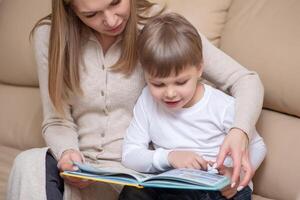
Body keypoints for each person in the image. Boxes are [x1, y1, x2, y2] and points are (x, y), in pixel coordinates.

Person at [7, 0, 264, 200]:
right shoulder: (50, 37)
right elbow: (56, 119)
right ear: (71, 10)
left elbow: (246, 80)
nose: (110, 20)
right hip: (78, 177)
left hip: (132, 181)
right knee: (27, 163)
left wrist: (240, 131)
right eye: (91, 14)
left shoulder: (157, 30)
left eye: (116, 2)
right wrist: (67, 155)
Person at [120, 13, 267, 200]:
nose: (170, 93)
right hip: (172, 181)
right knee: (132, 192)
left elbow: (258, 146)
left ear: (199, 68)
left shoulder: (220, 105)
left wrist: (235, 174)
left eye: (180, 82)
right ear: (145, 74)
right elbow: (131, 154)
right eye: (158, 84)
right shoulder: (146, 101)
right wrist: (170, 157)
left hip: (219, 185)